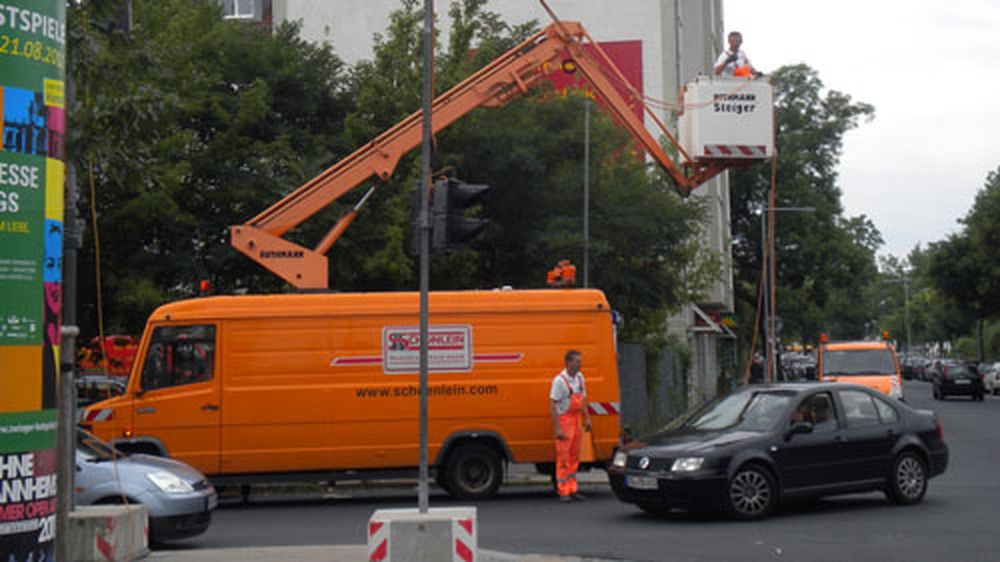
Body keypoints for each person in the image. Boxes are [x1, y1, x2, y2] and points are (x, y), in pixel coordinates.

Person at [550, 349, 592, 503]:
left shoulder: (580, 378)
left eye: (580, 361)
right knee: (563, 457)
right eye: (577, 361)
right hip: (565, 421)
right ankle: (563, 490)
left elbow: (583, 400)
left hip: (576, 420)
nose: (580, 364)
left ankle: (572, 488)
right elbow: (553, 405)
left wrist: (587, 419)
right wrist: (557, 428)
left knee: (574, 456)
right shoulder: (559, 381)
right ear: (569, 363)